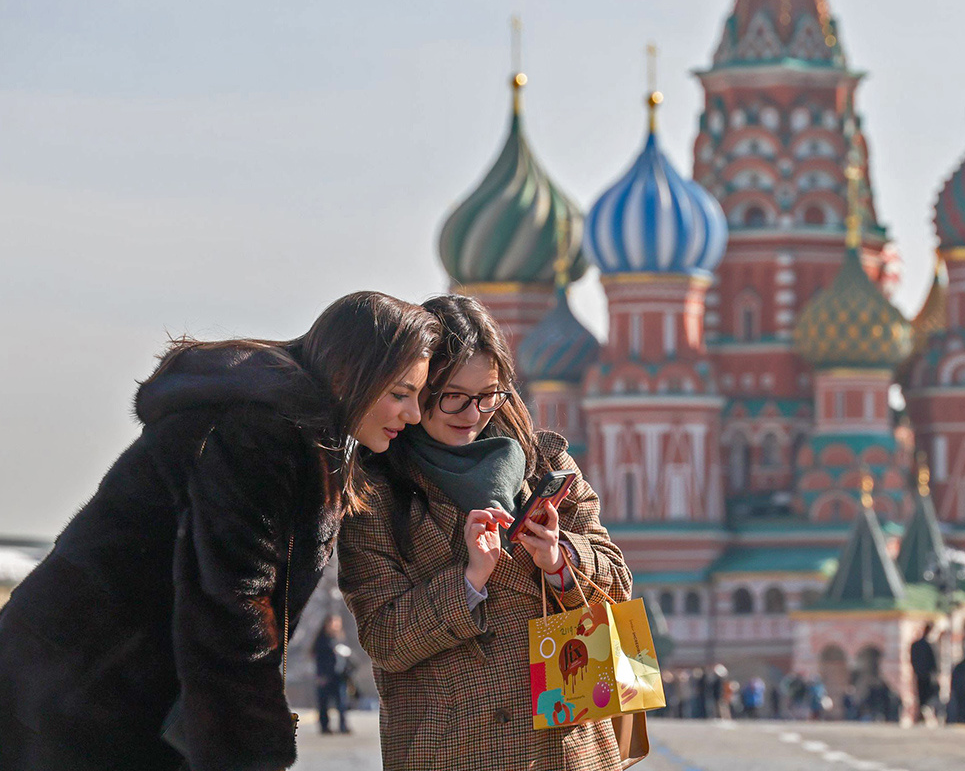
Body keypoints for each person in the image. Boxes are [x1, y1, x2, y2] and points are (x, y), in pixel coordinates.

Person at [0, 291, 439, 771]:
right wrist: (251, 754)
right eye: (400, 394)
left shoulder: (293, 429)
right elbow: (231, 603)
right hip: (79, 690)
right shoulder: (261, 432)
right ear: (347, 376)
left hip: (93, 684)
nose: (413, 414)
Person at [338, 294, 633, 771]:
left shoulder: (545, 464)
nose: (473, 414)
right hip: (452, 751)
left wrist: (559, 559)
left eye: (488, 395)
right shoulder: (374, 492)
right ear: (419, 386)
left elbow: (618, 584)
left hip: (568, 746)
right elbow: (384, 637)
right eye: (453, 396)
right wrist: (470, 580)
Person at [312, 614, 355, 735]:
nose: (336, 626)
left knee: (342, 702)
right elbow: (319, 660)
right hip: (326, 676)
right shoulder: (322, 640)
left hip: (339, 676)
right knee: (324, 703)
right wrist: (320, 675)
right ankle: (324, 726)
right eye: (334, 623)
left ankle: (343, 726)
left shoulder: (340, 639)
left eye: (338, 623)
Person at [910, 622, 939, 724]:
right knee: (927, 695)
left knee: (921, 695)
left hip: (919, 674)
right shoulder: (929, 645)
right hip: (926, 675)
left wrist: (916, 670)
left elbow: (912, 659)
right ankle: (923, 713)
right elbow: (933, 661)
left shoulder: (916, 645)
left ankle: (921, 714)